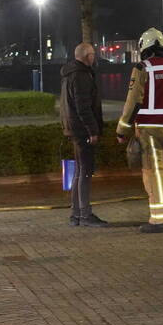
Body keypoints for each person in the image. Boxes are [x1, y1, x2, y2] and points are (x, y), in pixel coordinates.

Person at [116, 28, 163, 234]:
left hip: (149, 129)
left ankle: (159, 220)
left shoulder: (142, 68)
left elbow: (133, 102)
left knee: (154, 174)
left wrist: (122, 129)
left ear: (144, 47)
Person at [60, 42, 107, 227]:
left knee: (79, 171)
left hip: (73, 128)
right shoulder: (81, 76)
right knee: (85, 171)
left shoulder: (69, 74)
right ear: (87, 56)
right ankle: (85, 214)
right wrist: (92, 130)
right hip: (82, 130)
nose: (94, 57)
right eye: (93, 54)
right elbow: (83, 106)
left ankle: (76, 214)